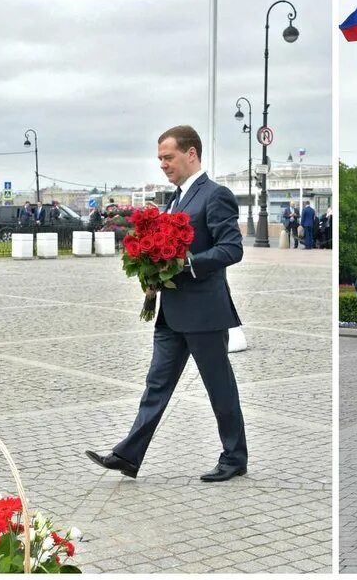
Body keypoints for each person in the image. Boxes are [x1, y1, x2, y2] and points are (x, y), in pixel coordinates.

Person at [86, 124, 247, 483]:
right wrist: (153, 275)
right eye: (159, 158)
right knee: (156, 385)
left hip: (205, 313)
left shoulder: (214, 195)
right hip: (171, 312)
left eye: (168, 157)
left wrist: (187, 264)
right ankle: (129, 455)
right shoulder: (174, 199)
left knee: (219, 388)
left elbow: (232, 248)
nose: (162, 164)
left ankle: (234, 457)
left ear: (191, 154)